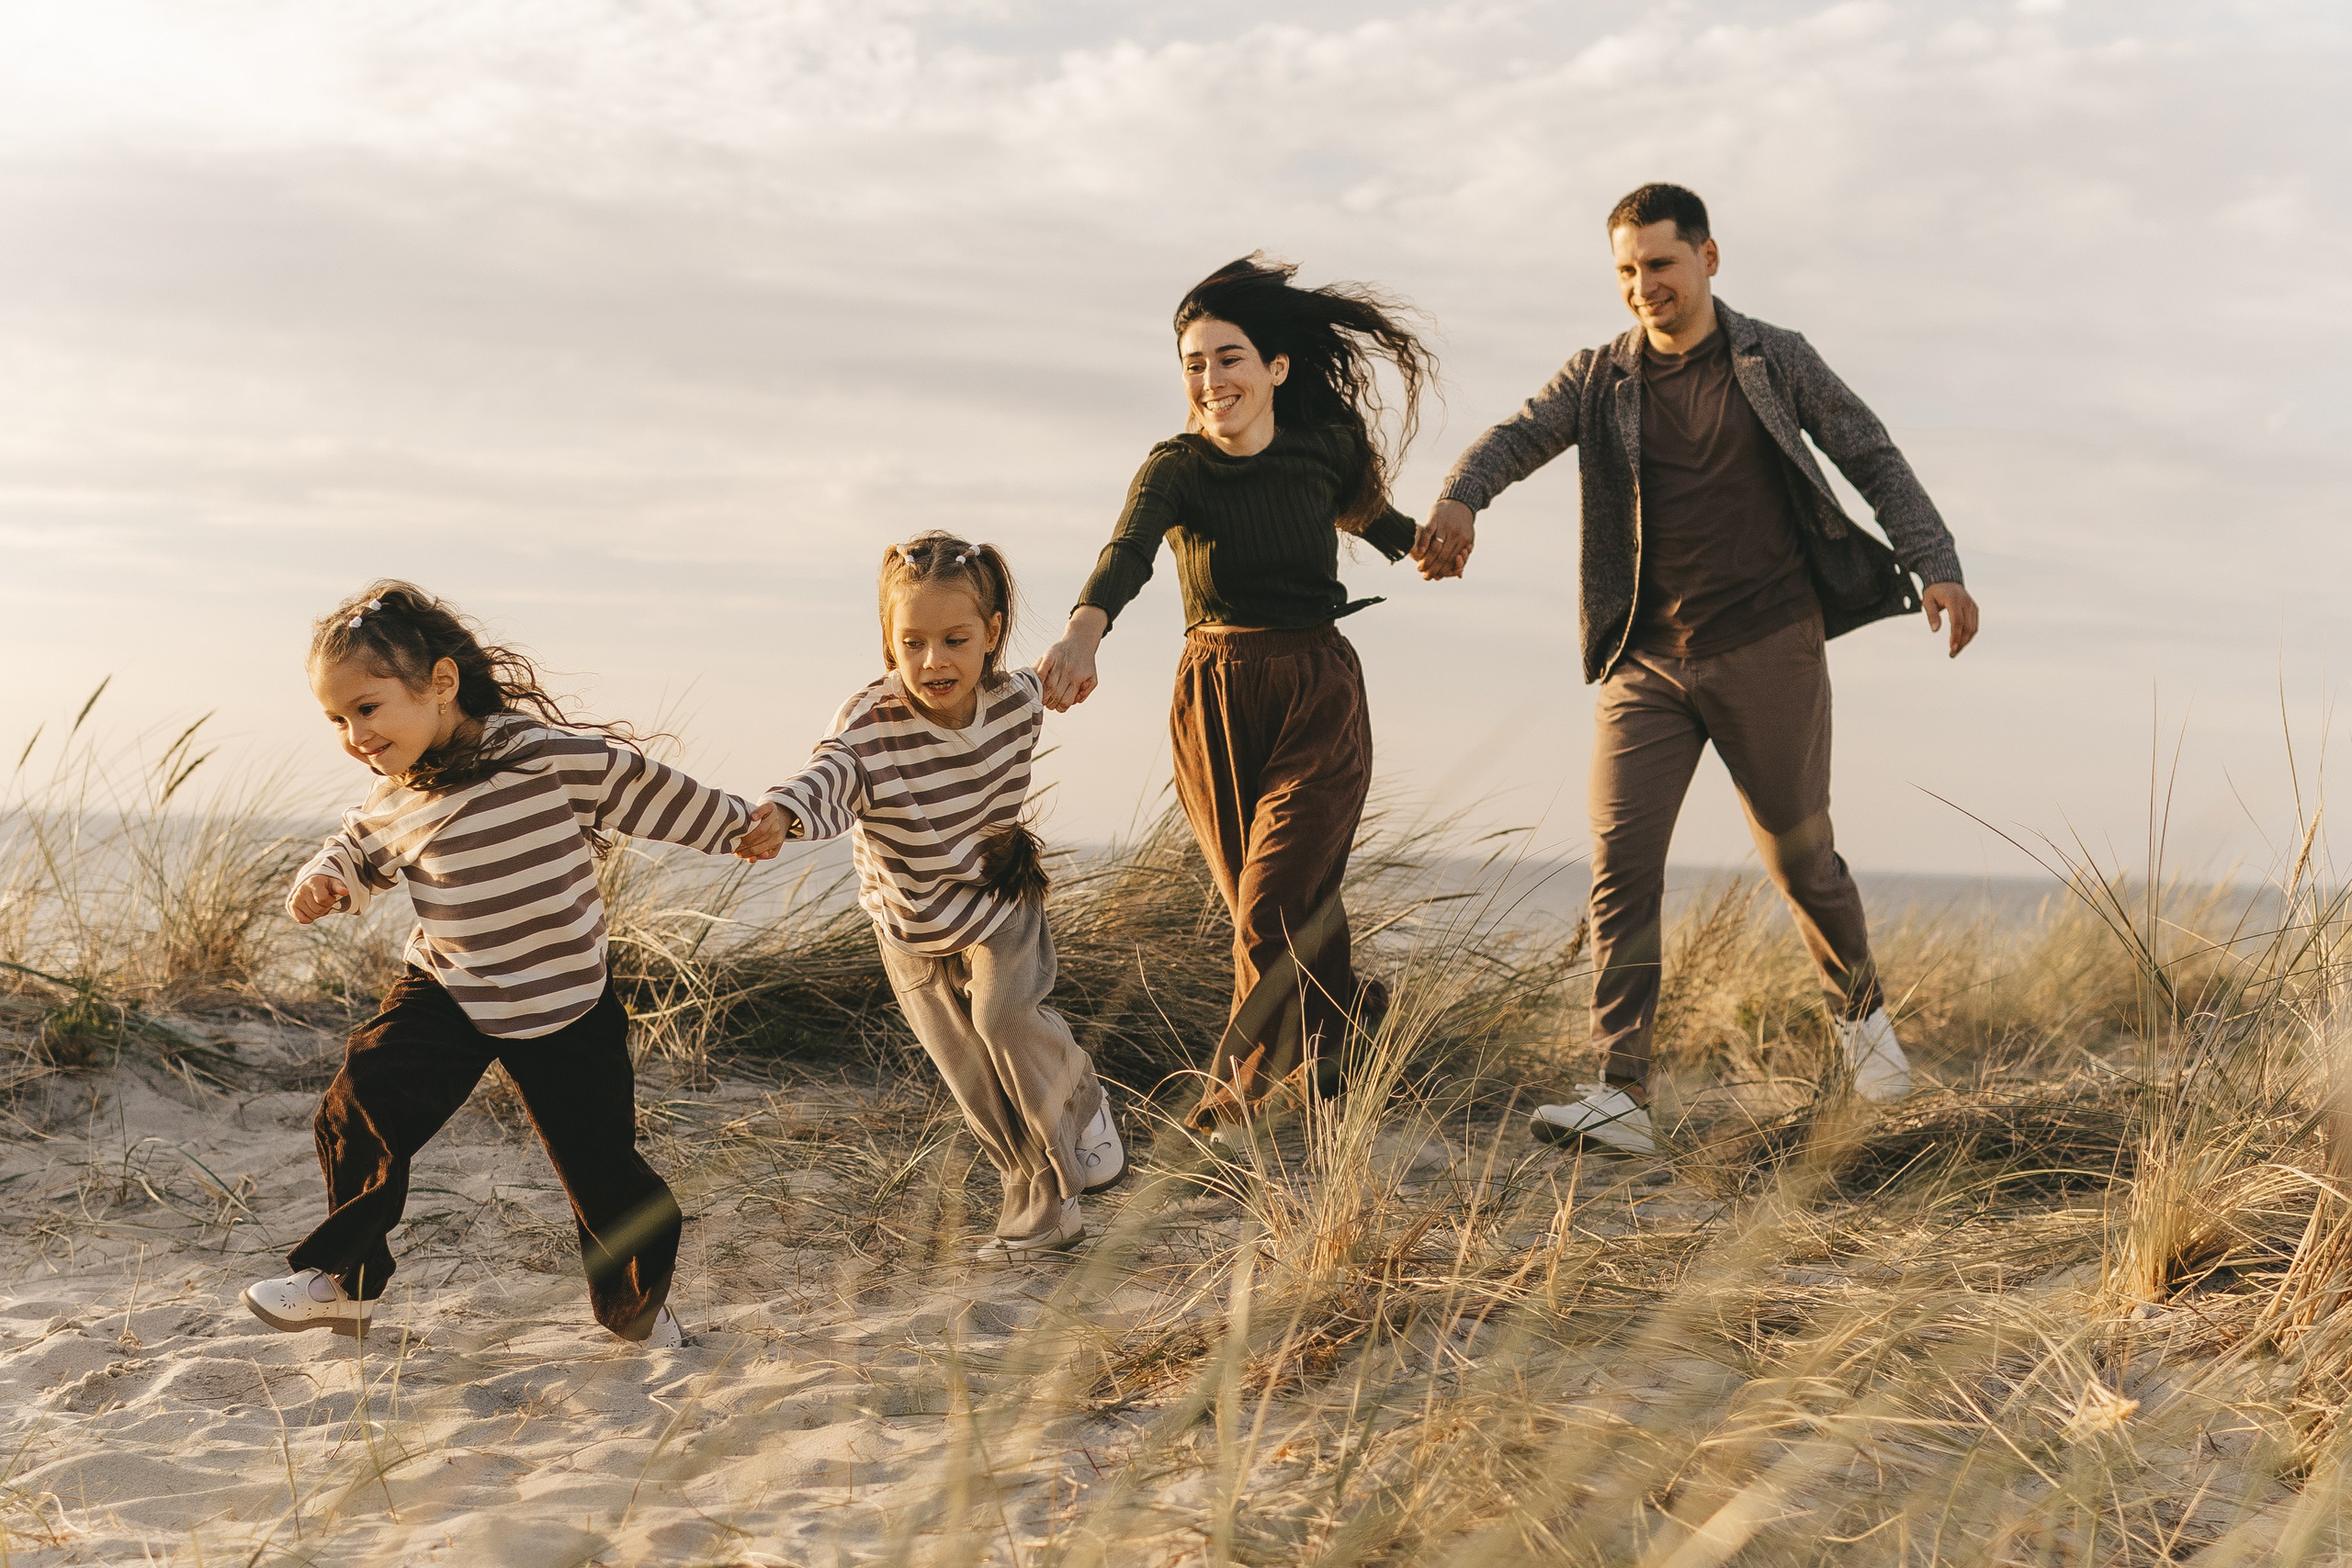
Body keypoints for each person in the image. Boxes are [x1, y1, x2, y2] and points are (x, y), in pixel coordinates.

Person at [1416, 184, 1981, 1156]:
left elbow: (1871, 457)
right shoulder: (1600, 378)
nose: (1645, 287)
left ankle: (1863, 1030)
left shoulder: (1774, 359)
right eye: (1627, 271)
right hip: (1646, 660)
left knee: (1801, 859)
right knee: (1619, 865)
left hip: (1767, 646)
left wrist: (1937, 565)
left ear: (1708, 259)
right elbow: (1516, 435)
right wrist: (1463, 497)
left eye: (1660, 265)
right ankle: (1619, 1090)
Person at [246, 581, 755, 1346]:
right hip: (448, 986)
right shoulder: (398, 792)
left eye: (368, 707)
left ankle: (641, 1317)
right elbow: (357, 844)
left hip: (562, 1000)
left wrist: (742, 827)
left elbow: (641, 786)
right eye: (337, 719)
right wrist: (324, 879)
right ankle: (342, 1284)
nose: (354, 733)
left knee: (603, 1171)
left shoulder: (540, 757)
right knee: (362, 1099)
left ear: (441, 683)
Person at [1033, 255, 1437, 1145]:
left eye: (1229, 358)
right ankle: (1352, 1035)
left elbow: (1387, 528)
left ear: (1275, 370)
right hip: (1212, 703)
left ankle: (1236, 1092)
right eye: (1194, 362)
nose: (1210, 380)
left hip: (1318, 694)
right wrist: (1080, 635)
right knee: (1283, 912)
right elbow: (1128, 551)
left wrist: (1435, 541)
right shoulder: (1177, 469)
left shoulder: (1320, 455)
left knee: (1270, 906)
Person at [735, 534, 1124, 1262]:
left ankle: (1082, 1099)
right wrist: (784, 813)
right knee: (975, 1079)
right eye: (911, 642)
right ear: (888, 642)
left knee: (1004, 1018)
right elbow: (830, 774)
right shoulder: (869, 724)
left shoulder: (1015, 703)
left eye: (955, 639)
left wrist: (1078, 657)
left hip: (998, 902)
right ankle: (1043, 1206)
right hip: (909, 923)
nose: (933, 660)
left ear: (992, 635)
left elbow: (1054, 683)